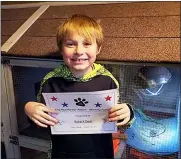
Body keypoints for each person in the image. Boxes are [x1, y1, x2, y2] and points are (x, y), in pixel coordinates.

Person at [24, 14, 134, 159]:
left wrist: (128, 112)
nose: (79, 51)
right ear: (61, 49)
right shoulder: (51, 81)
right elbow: (41, 120)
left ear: (98, 49)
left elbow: (119, 118)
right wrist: (29, 108)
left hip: (100, 153)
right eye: (70, 44)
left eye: (87, 44)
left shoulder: (108, 80)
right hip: (62, 153)